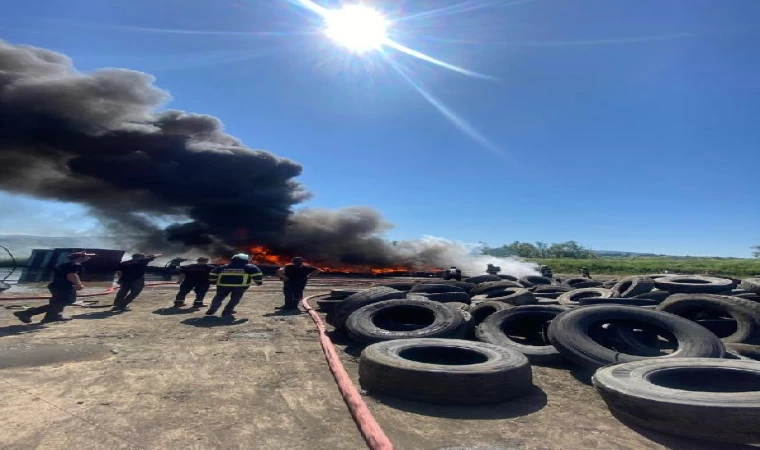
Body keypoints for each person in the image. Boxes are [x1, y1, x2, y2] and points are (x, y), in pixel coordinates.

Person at [13, 251, 94, 324]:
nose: (88, 257)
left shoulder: (64, 264)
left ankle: (51, 317)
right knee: (66, 301)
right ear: (80, 258)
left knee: (57, 302)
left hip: (55, 286)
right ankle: (28, 313)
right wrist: (78, 285)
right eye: (86, 256)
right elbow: (71, 275)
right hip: (64, 287)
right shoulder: (76, 265)